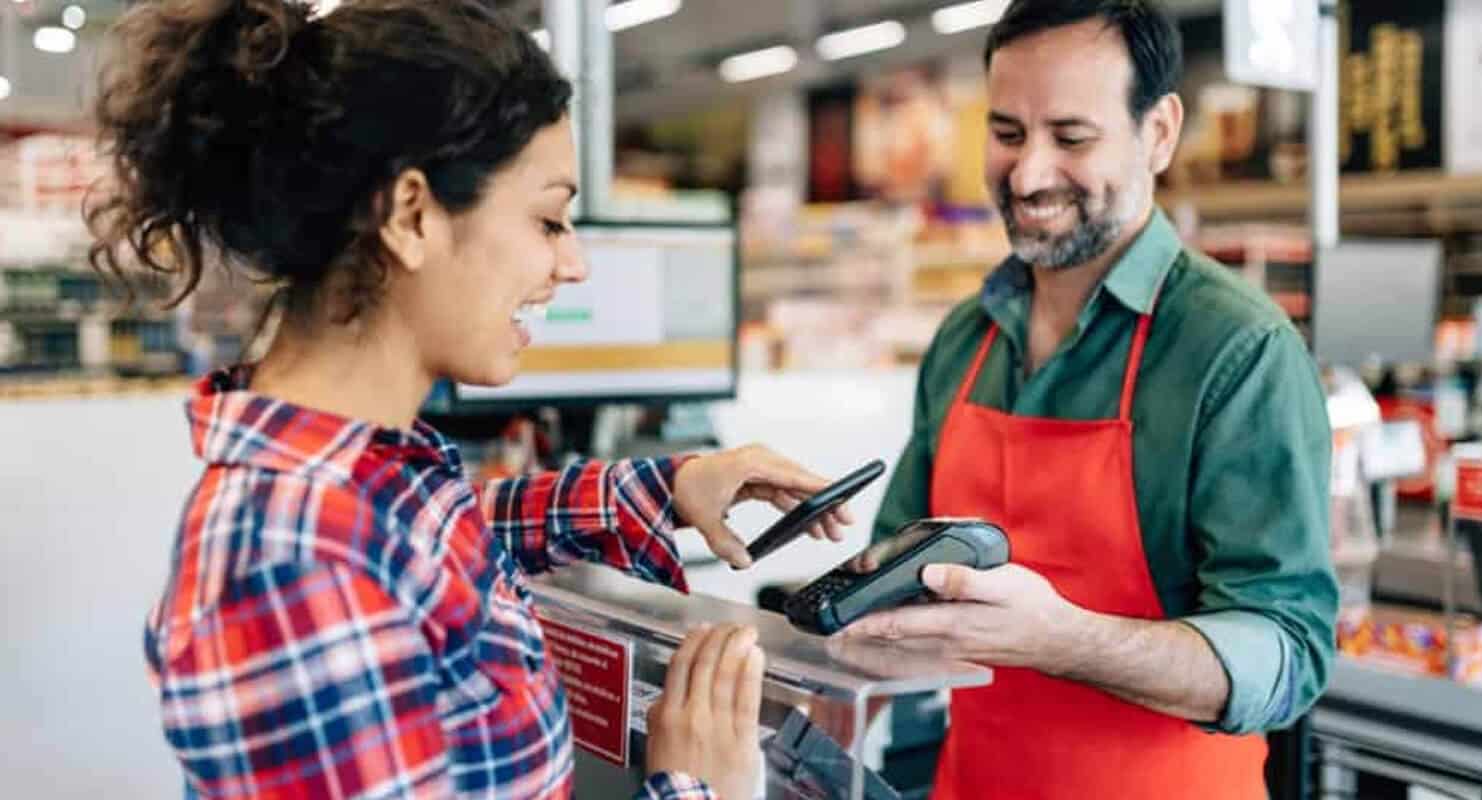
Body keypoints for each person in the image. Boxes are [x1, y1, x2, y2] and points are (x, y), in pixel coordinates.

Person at [87, 2, 851, 798]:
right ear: (412, 215)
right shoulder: (294, 563)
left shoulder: (363, 469)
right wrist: (695, 787)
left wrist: (661, 490)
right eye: (549, 219)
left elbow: (438, 534)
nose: (574, 263)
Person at [845, 2, 1338, 798]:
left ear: (1159, 132)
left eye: (1072, 138)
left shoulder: (1237, 352)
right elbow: (897, 570)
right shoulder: (965, 341)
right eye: (1007, 134)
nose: (1030, 174)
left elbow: (1288, 654)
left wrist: (1064, 641)